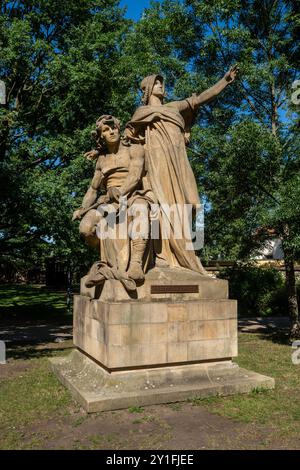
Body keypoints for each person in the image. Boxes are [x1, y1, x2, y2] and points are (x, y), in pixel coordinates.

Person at [125, 66, 238, 274]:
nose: (161, 85)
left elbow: (202, 98)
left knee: (192, 205)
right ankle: (162, 256)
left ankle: (188, 253)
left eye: (162, 83)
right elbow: (126, 142)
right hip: (157, 163)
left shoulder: (174, 107)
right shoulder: (141, 113)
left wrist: (224, 81)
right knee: (162, 206)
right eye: (157, 83)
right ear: (148, 88)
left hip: (179, 162)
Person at [72, 115, 154, 289]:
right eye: (106, 130)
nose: (111, 131)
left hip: (133, 194)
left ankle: (136, 264)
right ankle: (108, 260)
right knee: (86, 229)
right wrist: (83, 207)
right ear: (101, 135)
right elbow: (93, 189)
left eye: (113, 127)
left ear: (119, 128)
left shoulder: (135, 148)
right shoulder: (101, 160)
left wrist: (117, 192)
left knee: (141, 208)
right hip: (109, 202)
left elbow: (134, 176)